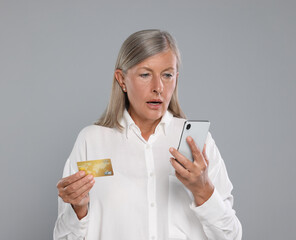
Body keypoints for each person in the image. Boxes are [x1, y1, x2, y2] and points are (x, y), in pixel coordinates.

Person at [54, 29, 242, 240]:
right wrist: (78, 210)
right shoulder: (92, 141)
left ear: (176, 79)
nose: (158, 88)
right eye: (145, 74)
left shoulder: (198, 146)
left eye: (167, 75)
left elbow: (231, 236)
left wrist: (203, 190)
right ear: (122, 80)